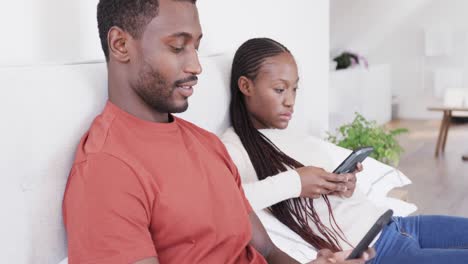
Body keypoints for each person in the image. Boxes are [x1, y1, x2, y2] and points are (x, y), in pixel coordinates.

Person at [62, 1, 374, 263]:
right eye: (177, 47)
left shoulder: (206, 144)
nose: (196, 66)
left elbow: (266, 250)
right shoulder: (107, 170)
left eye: (196, 47)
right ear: (120, 45)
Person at [221, 37, 468, 264]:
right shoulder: (233, 147)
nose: (290, 100)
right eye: (279, 89)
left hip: (396, 224)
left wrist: (344, 186)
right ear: (246, 86)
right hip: (379, 252)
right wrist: (296, 181)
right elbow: (229, 203)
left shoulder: (291, 134)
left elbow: (327, 203)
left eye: (294, 89)